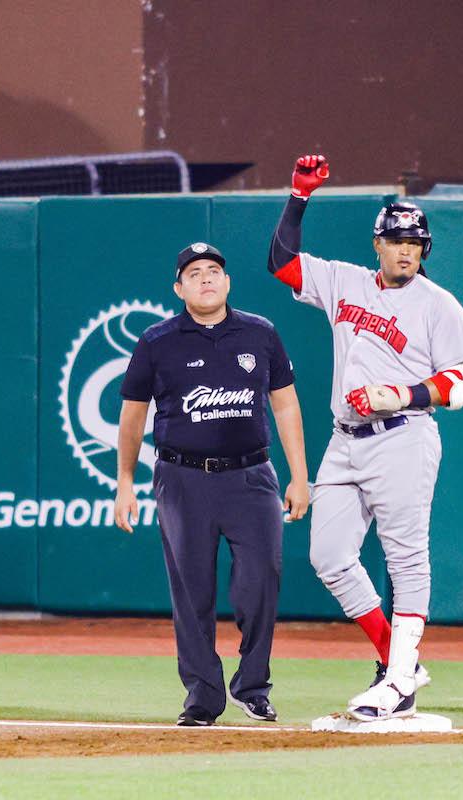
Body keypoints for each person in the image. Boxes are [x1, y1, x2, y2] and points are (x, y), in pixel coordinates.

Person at [266, 155, 463, 722]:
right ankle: (397, 661)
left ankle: (399, 681)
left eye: (416, 242)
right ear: (377, 244)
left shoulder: (440, 306)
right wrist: (298, 197)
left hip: (404, 437)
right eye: (397, 240)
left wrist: (401, 395)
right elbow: (281, 263)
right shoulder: (345, 281)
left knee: (406, 559)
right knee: (329, 555)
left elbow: (460, 386)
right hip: (345, 440)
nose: (407, 249)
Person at [114, 242, 310, 727]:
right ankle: (203, 698)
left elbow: (284, 404)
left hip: (252, 476)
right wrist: (124, 481)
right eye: (195, 272)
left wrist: (300, 475)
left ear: (228, 283)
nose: (206, 278)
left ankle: (252, 685)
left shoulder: (259, 333)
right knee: (191, 591)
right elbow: (132, 416)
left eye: (214, 271)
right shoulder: (157, 341)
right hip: (182, 479)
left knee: (261, 578)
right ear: (178, 288)